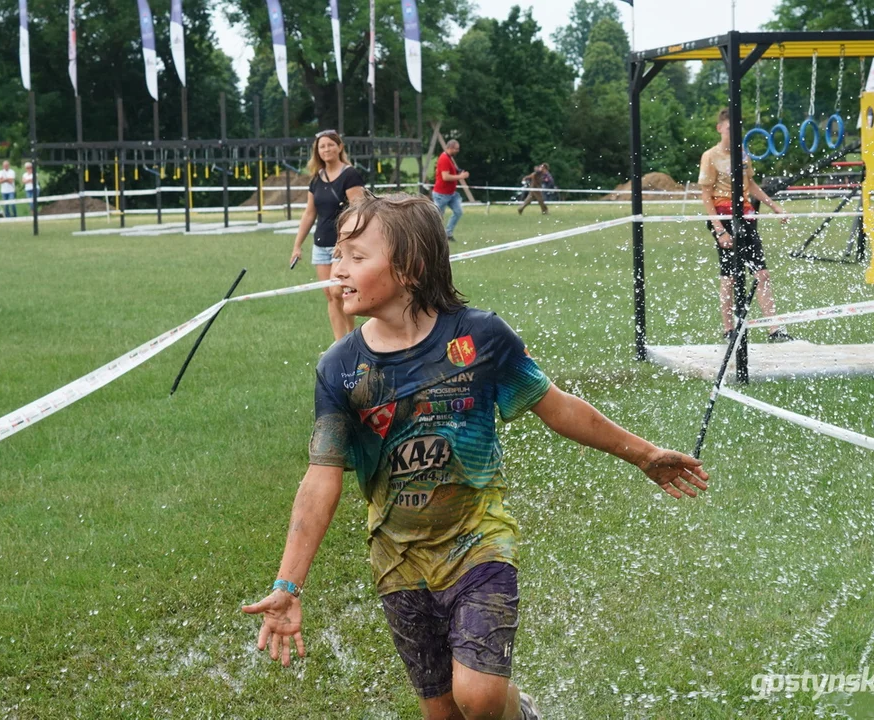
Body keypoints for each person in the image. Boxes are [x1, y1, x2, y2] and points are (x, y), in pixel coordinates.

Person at [243, 193, 709, 720]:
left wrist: (643, 454)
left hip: (478, 541)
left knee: (480, 697)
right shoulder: (340, 367)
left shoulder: (479, 336)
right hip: (398, 560)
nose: (337, 268)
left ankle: (515, 710)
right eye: (338, 254)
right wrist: (287, 584)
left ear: (410, 267)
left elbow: (556, 407)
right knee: (443, 711)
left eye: (355, 255)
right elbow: (321, 478)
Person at [699, 108, 794, 342]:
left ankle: (774, 330)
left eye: (737, 130)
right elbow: (706, 196)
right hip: (723, 216)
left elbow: (751, 185)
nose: (734, 134)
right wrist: (719, 229)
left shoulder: (742, 154)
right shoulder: (710, 156)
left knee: (762, 273)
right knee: (729, 276)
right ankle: (729, 329)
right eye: (730, 129)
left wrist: (775, 207)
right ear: (720, 129)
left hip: (746, 216)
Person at [290, 130, 366, 341]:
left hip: (342, 245)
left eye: (330, 145)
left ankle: (352, 338)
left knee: (337, 291)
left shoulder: (350, 175)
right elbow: (309, 213)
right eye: (321, 147)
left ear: (339, 147)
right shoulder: (317, 179)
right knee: (330, 297)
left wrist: (344, 241)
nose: (326, 150)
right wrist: (297, 245)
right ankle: (340, 344)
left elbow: (359, 212)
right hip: (320, 244)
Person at [433, 139, 468, 242]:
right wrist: (460, 176)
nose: (458, 151)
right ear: (450, 148)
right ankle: (435, 237)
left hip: (450, 194)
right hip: (441, 194)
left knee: (458, 212)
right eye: (456, 149)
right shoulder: (444, 158)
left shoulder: (449, 158)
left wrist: (459, 171)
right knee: (438, 217)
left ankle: (448, 233)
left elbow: (452, 170)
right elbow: (445, 177)